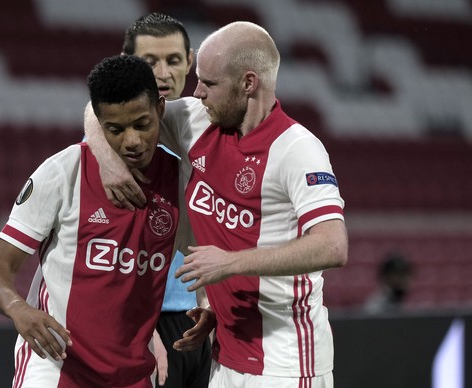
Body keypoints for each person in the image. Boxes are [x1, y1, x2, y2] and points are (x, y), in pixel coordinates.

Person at [85, 21, 348, 388]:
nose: (197, 92)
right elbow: (108, 108)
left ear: (248, 83)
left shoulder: (297, 150)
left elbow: (332, 245)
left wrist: (229, 263)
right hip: (225, 356)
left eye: (208, 83)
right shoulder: (196, 121)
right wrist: (108, 162)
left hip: (286, 361)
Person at [0, 55, 213, 387]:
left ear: (161, 110)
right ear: (99, 123)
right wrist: (19, 310)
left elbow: (201, 253)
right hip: (57, 365)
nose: (131, 141)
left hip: (132, 373)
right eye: (115, 129)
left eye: (142, 124)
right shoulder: (62, 173)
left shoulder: (180, 181)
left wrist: (207, 300)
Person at [121, 12, 211, 388]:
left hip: (198, 316)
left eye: (173, 60)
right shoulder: (118, 138)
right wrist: (138, 331)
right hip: (145, 321)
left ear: (190, 62)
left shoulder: (204, 124)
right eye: (149, 62)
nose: (162, 72)